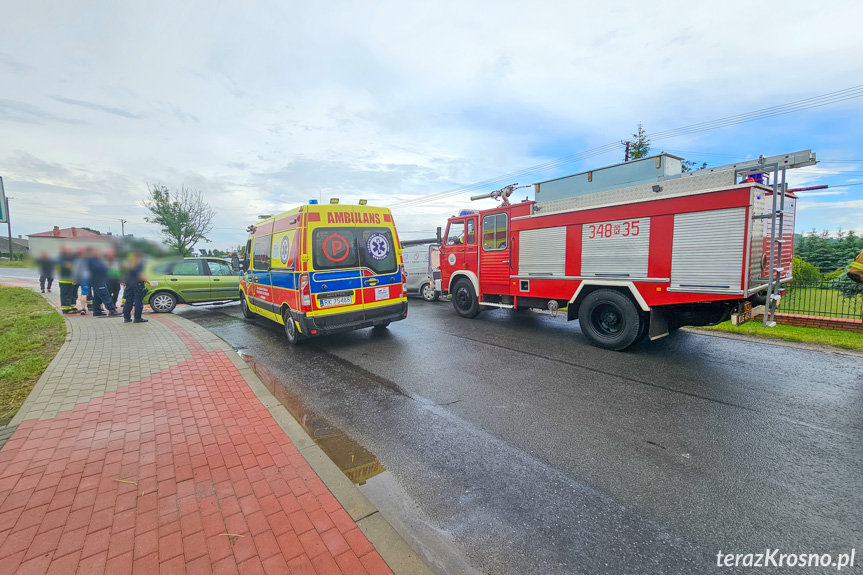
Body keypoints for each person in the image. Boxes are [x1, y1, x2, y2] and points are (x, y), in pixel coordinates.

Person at [86, 247, 122, 317]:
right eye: (96, 252)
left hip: (98, 280)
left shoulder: (96, 260)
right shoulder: (92, 261)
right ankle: (112, 310)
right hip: (98, 280)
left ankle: (96, 311)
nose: (98, 253)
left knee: (97, 296)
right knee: (105, 295)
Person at [123, 250, 148, 323]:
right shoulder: (139, 264)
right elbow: (140, 275)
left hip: (129, 284)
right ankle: (137, 318)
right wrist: (148, 281)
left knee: (128, 301)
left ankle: (126, 318)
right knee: (138, 301)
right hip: (137, 284)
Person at [57, 245, 78, 314]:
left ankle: (72, 306)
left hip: (72, 280)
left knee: (73, 294)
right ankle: (65, 309)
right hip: (64, 280)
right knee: (66, 295)